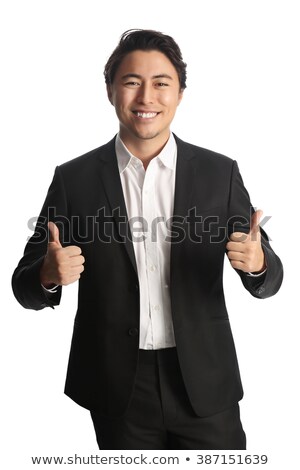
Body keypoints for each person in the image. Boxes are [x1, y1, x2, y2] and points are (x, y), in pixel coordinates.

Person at [12, 29, 283, 450]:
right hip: (117, 388)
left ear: (179, 93)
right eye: (131, 82)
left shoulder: (219, 174)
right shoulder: (74, 179)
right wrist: (47, 274)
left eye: (161, 83)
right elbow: (24, 286)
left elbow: (269, 277)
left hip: (204, 383)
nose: (146, 97)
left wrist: (258, 263)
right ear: (110, 91)